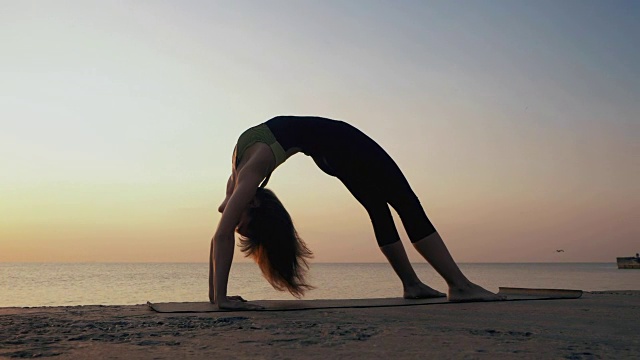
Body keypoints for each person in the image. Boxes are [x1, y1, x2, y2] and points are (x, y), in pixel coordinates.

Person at [210, 116, 503, 310]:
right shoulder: (241, 183)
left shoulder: (244, 179)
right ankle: (459, 286)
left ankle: (414, 284)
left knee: (382, 205)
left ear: (254, 204)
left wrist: (219, 298)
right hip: (338, 144)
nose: (235, 225)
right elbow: (219, 236)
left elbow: (220, 236)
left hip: (336, 148)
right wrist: (217, 298)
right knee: (405, 202)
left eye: (242, 226)